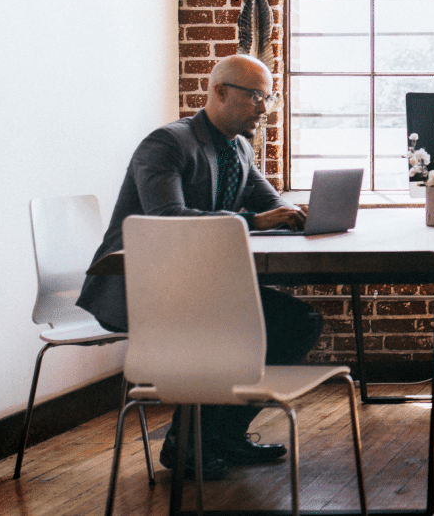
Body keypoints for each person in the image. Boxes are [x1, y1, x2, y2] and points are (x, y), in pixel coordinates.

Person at [77, 54, 322, 479]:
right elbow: (166, 217)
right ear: (220, 92)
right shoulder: (167, 144)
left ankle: (220, 436)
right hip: (143, 283)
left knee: (300, 320)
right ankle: (185, 442)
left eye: (269, 97)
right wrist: (252, 221)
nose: (265, 108)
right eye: (256, 96)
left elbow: (271, 203)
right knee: (251, 324)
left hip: (197, 282)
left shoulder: (238, 147)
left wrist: (295, 214)